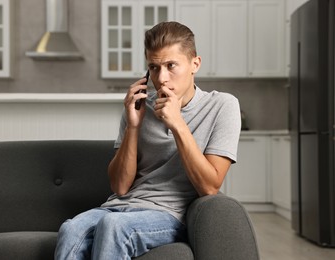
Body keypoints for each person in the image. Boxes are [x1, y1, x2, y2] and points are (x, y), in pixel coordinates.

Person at [55, 21, 241, 260]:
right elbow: (120, 187)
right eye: (154, 67)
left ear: (195, 64)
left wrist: (177, 124)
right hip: (119, 208)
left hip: (171, 214)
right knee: (71, 229)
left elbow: (209, 186)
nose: (161, 78)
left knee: (114, 226)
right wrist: (134, 125)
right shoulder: (139, 107)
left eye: (171, 65)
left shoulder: (222, 106)